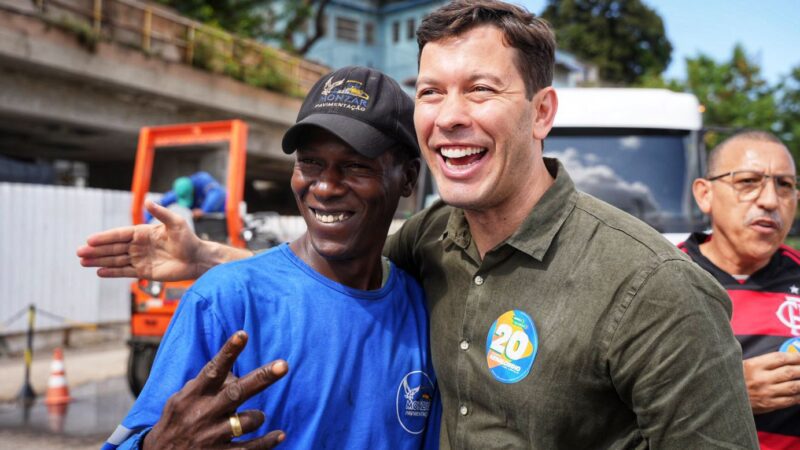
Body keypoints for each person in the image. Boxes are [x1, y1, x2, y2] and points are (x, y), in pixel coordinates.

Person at [79, 1, 759, 448]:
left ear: (543, 112)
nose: (451, 114)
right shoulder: (432, 244)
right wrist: (207, 260)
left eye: (482, 89)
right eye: (432, 92)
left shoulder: (655, 288)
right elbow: (328, 273)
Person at [100, 66, 439, 449]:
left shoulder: (423, 313)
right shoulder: (225, 303)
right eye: (309, 163)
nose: (324, 187)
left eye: (355, 165)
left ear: (408, 178)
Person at [680, 130, 800, 449]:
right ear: (705, 194)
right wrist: (729, 392)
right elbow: (609, 401)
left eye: (785, 185)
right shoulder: (659, 278)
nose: (770, 200)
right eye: (748, 181)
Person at [144, 171, 226, 223]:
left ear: (192, 190)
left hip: (221, 213)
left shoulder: (202, 180)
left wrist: (204, 210)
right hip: (202, 222)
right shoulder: (178, 192)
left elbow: (217, 193)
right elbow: (156, 205)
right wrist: (145, 223)